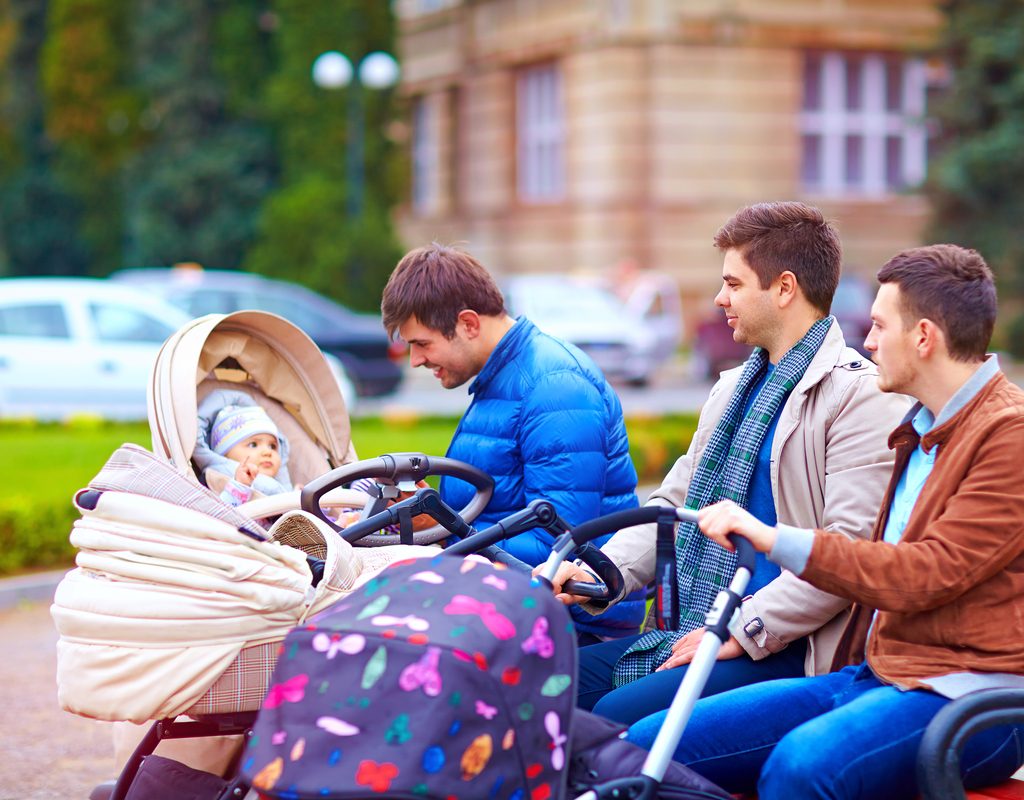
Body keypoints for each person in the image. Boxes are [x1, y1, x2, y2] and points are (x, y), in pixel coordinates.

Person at [626, 243, 1024, 799]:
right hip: (876, 675)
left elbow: (926, 573)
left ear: (925, 337)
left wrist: (772, 539)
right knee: (649, 746)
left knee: (803, 767)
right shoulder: (921, 429)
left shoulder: (1009, 436)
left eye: (881, 326)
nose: (868, 340)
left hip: (971, 699)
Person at [546, 201, 910, 724]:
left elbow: (846, 555)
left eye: (734, 284)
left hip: (786, 648)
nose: (720, 299)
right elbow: (673, 505)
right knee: (544, 680)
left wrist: (742, 628)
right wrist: (599, 573)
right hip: (702, 624)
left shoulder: (860, 396)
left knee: (615, 713)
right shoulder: (731, 389)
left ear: (784, 288)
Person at [380, 242, 644, 641]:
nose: (415, 360)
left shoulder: (555, 386)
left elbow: (562, 541)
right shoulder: (503, 377)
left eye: (421, 343)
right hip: (510, 609)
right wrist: (428, 516)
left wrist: (440, 533)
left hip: (574, 626)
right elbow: (500, 508)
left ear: (468, 324)